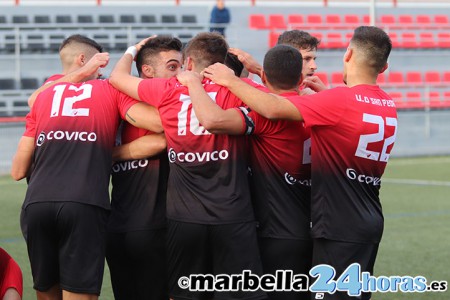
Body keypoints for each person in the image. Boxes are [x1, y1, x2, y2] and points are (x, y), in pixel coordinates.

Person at [202, 26, 397, 300]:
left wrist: (232, 80)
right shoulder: (386, 102)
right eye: (306, 60)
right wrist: (262, 73)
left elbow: (270, 107)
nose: (313, 66)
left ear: (349, 53)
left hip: (335, 225)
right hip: (365, 220)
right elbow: (339, 111)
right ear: (385, 66)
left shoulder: (333, 101)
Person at [109, 32, 266, 300]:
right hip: (233, 216)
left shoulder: (168, 91)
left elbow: (117, 78)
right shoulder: (239, 92)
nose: (180, 70)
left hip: (183, 220)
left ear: (190, 63)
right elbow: (281, 99)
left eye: (181, 65)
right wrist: (255, 71)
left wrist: (132, 49)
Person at [11, 42, 163, 300]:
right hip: (84, 202)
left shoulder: (44, 96)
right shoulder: (109, 89)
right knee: (80, 294)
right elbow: (159, 124)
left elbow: (17, 171)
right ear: (86, 60)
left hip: (36, 204)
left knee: (46, 292)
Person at [176, 44, 312, 300]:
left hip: (274, 231)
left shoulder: (262, 115)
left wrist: (198, 83)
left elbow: (213, 120)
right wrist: (258, 74)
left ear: (265, 77)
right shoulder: (317, 106)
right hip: (312, 227)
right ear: (301, 79)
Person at [106, 35, 183, 300]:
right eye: (173, 67)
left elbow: (160, 139)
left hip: (122, 227)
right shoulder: (148, 108)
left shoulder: (119, 105)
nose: (180, 74)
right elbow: (163, 134)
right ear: (147, 72)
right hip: (149, 229)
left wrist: (113, 154)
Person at [28, 34, 104, 108]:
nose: (100, 73)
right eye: (97, 65)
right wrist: (84, 71)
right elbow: (33, 100)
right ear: (82, 59)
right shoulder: (53, 83)